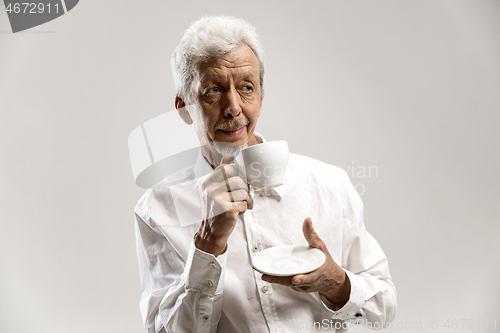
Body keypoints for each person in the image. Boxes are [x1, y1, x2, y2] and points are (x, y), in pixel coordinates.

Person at [134, 15, 397, 333]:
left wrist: (337, 282)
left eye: (246, 88)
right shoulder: (158, 209)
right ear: (184, 108)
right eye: (214, 90)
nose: (233, 107)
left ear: (260, 96)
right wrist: (208, 246)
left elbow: (383, 309)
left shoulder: (329, 184)